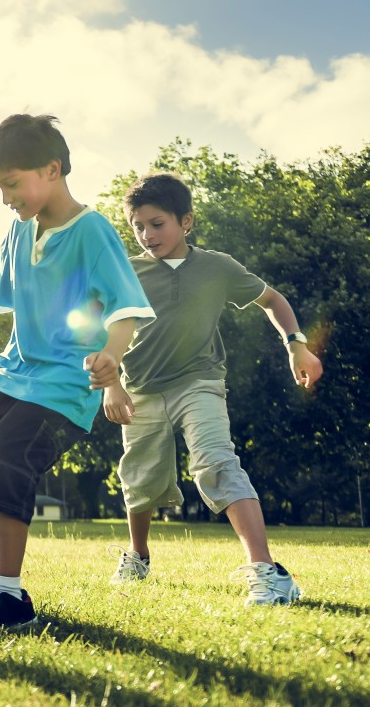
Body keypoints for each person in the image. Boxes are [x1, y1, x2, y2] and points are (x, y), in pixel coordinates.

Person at [0, 114, 156, 631]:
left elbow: (125, 307)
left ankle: (8, 593)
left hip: (62, 385)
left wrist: (112, 355)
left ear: (51, 170)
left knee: (4, 460)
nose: (5, 197)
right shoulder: (20, 229)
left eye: (11, 184)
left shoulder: (92, 231)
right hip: (9, 372)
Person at [103, 172, 323, 606]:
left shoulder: (217, 267)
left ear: (186, 221)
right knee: (141, 478)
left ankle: (267, 572)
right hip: (140, 389)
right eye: (138, 226)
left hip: (198, 382)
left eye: (157, 224)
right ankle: (138, 555)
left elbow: (273, 300)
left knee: (216, 463)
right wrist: (111, 385)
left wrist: (296, 345)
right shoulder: (127, 272)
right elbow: (104, 331)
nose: (147, 235)